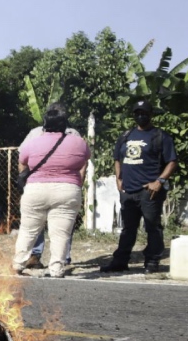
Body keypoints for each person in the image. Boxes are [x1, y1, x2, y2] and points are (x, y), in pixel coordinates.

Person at [100, 100, 178, 274]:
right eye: (137, 113)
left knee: (152, 227)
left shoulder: (160, 136)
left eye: (144, 113)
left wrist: (159, 181)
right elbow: (117, 159)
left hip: (149, 191)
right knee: (128, 228)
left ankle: (152, 261)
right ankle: (120, 261)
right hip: (128, 191)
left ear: (150, 115)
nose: (141, 116)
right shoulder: (126, 136)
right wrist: (118, 179)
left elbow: (172, 162)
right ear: (133, 115)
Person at [13, 103, 90, 278]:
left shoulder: (33, 140)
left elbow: (22, 161)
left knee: (28, 229)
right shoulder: (78, 141)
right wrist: (77, 182)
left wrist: (26, 182)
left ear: (45, 124)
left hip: (36, 188)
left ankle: (18, 264)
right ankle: (56, 268)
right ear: (64, 124)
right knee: (60, 233)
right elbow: (84, 160)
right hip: (67, 189)